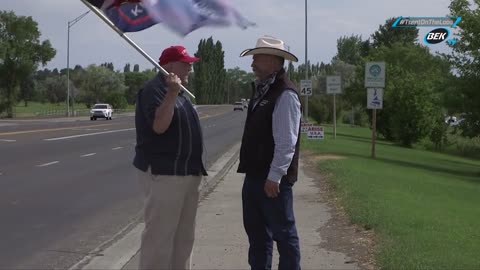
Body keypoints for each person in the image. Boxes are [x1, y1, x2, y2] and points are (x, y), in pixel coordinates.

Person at [133, 45, 207, 270]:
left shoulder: (181, 92)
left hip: (187, 174)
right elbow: (159, 126)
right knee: (159, 238)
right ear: (171, 65)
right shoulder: (154, 90)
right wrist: (172, 93)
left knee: (184, 238)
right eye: (187, 64)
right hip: (165, 174)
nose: (190, 70)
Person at [237, 35, 302, 270]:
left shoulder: (285, 93)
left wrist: (275, 175)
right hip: (254, 176)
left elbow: (287, 142)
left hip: (273, 181)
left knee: (284, 236)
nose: (252, 61)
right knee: (257, 238)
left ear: (274, 61)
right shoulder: (262, 89)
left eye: (257, 57)